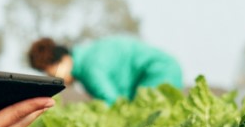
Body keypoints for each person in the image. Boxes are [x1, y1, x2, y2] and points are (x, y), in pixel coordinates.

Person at [27, 36, 184, 105]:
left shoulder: (90, 70)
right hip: (165, 68)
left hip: (159, 72)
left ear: (65, 59)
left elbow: (113, 103)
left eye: (56, 74)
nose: (62, 80)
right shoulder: (88, 57)